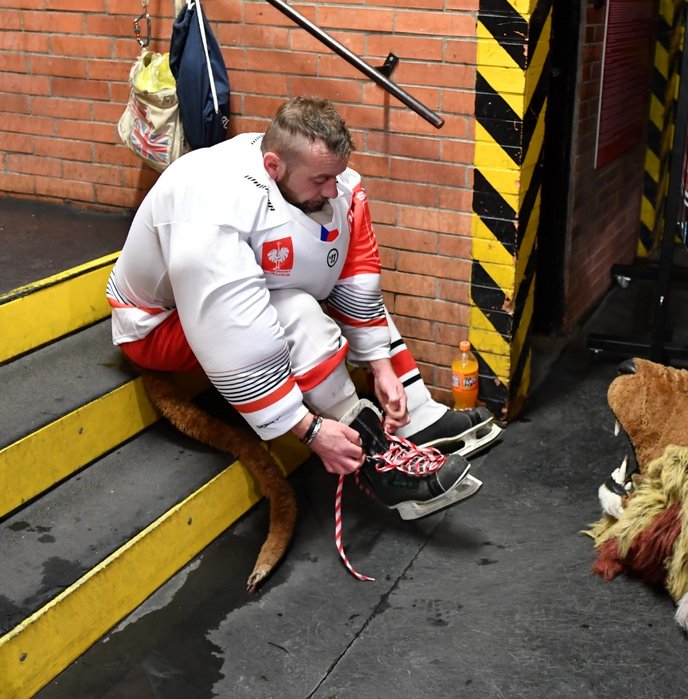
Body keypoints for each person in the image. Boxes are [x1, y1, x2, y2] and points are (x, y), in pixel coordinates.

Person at [106, 96, 499, 519]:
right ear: (273, 167)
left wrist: (381, 366)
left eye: (337, 175)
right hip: (157, 325)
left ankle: (416, 416)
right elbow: (230, 331)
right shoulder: (211, 204)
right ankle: (377, 464)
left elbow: (355, 278)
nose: (332, 189)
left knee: (331, 299)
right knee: (295, 310)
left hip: (228, 297)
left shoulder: (324, 178)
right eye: (320, 180)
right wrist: (309, 430)